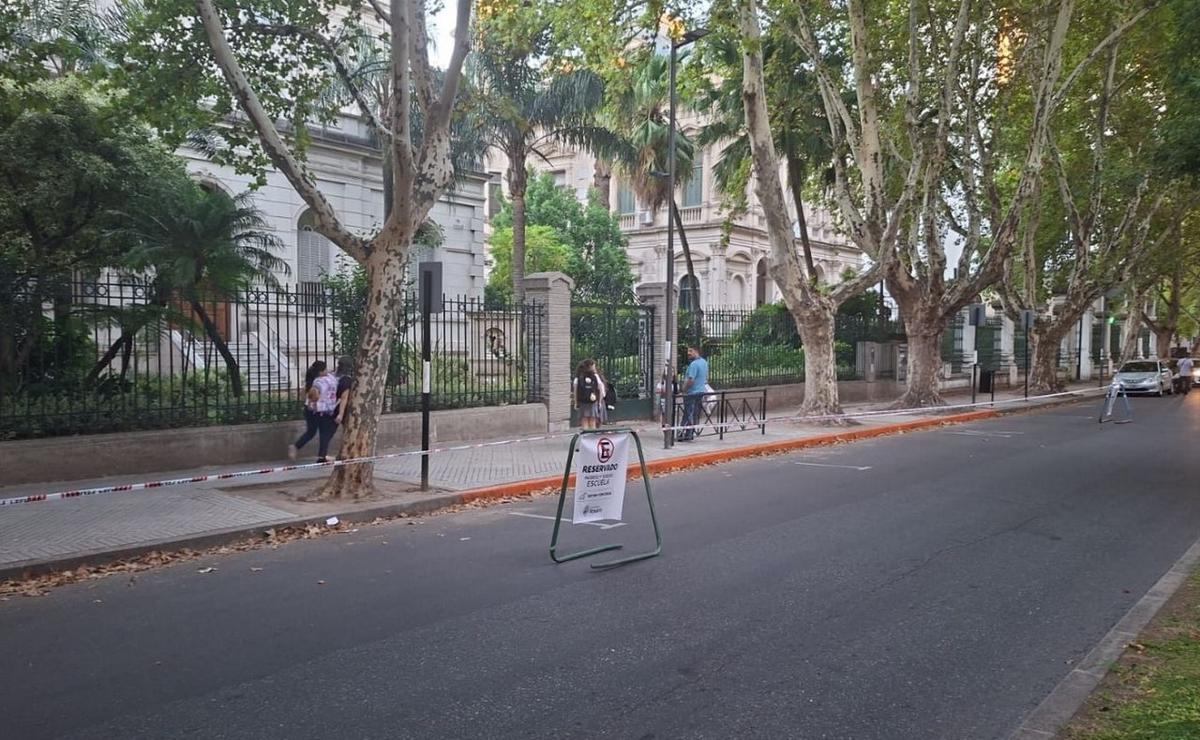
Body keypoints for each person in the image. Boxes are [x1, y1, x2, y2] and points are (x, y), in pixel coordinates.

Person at [288, 360, 326, 461]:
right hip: (314, 409)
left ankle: (297, 447)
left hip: (310, 409)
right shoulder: (318, 382)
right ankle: (321, 456)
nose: (327, 371)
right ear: (320, 372)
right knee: (319, 432)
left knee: (313, 432)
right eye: (325, 369)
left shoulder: (311, 381)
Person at [677, 346, 709, 442]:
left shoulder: (694, 364)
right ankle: (690, 433)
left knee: (688, 413)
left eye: (691, 351)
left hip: (691, 392)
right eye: (688, 351)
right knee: (694, 413)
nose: (688, 353)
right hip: (700, 391)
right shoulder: (704, 362)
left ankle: (683, 434)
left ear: (697, 352)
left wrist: (684, 389)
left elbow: (691, 380)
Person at [573, 359, 606, 430]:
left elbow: (575, 391)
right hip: (593, 402)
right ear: (590, 366)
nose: (595, 368)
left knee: (584, 420)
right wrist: (599, 402)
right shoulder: (595, 376)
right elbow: (600, 389)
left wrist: (576, 402)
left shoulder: (578, 377)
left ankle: (585, 437)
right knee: (592, 421)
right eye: (594, 366)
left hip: (582, 402)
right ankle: (592, 438)